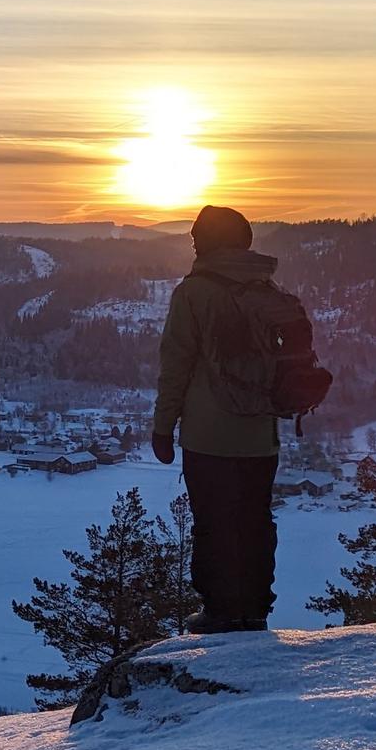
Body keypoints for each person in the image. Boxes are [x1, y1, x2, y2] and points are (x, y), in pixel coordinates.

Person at [151, 204, 281, 633]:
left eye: (196, 235)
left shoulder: (194, 292)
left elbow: (176, 364)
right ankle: (254, 607)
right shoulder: (265, 286)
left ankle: (220, 609)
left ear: (210, 241)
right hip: (261, 433)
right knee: (255, 518)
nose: (191, 241)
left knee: (213, 520)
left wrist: (163, 426)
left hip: (209, 434)